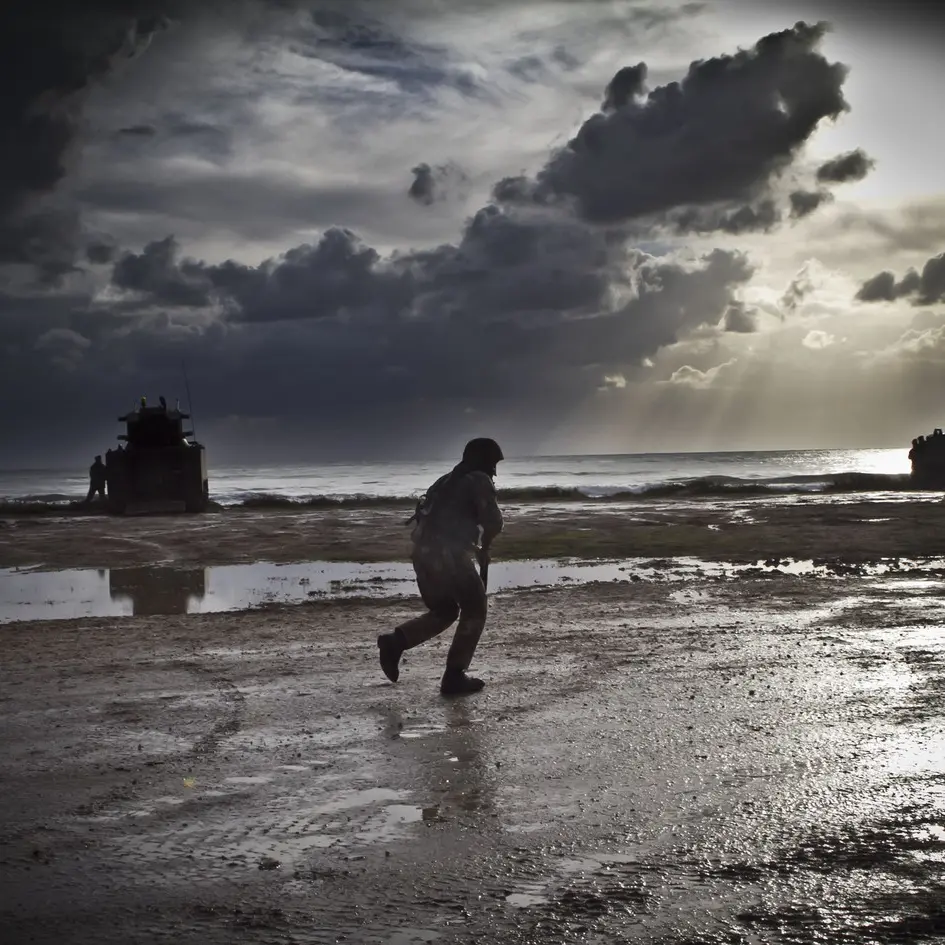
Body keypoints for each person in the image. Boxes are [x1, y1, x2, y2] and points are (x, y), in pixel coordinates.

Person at [377, 437, 505, 696]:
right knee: (475, 609)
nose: (494, 470)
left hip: (422, 554)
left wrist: (478, 548)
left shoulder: (445, 481)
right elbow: (493, 522)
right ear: (482, 460)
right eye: (493, 463)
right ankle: (454, 677)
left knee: (445, 610)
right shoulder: (478, 480)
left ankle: (396, 641)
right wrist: (486, 547)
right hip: (448, 555)